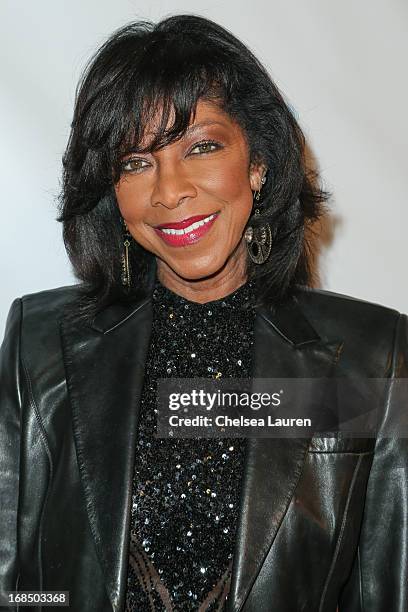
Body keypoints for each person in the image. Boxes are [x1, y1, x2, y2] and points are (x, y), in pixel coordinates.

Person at [0, 13, 407, 612]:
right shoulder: (41, 342)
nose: (170, 190)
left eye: (202, 147)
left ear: (259, 163)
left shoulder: (373, 356)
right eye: (135, 162)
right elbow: (17, 587)